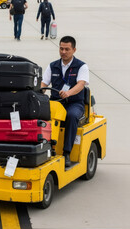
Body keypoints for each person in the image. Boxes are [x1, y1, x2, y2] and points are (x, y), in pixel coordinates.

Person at [41, 36, 89, 168]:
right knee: (41, 115)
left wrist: (68, 92)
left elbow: (81, 84)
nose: (63, 52)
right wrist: (38, 94)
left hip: (74, 103)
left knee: (71, 116)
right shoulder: (53, 66)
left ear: (74, 50)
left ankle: (67, 152)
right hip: (56, 102)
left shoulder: (81, 66)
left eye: (67, 49)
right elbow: (43, 83)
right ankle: (44, 148)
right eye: (61, 48)